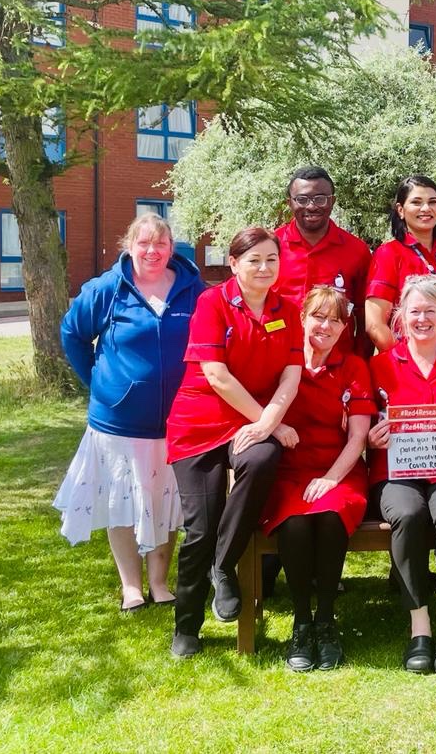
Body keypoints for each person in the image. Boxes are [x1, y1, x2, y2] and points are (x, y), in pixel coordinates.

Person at [166, 227, 304, 658]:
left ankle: (222, 566)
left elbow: (291, 374)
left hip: (251, 422)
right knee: (201, 527)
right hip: (200, 422)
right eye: (253, 261)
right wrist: (266, 420)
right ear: (233, 264)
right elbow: (216, 376)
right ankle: (187, 626)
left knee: (263, 458)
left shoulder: (288, 309)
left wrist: (269, 423)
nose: (264, 269)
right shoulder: (213, 303)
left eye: (271, 260)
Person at [56, 213, 204, 612]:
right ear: (129, 246)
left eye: (160, 244)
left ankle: (159, 581)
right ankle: (131, 586)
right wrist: (101, 382)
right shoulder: (107, 288)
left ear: (172, 248)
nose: (152, 251)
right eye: (144, 243)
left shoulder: (192, 289)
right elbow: (71, 333)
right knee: (122, 500)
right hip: (118, 422)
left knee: (165, 500)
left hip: (177, 421)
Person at [368, 275, 436, 673]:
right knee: (409, 514)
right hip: (396, 472)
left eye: (430, 311)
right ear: (399, 317)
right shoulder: (379, 366)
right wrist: (373, 437)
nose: (422, 319)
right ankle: (419, 625)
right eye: (414, 311)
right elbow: (361, 425)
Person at [261, 286, 375, 672]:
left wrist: (330, 479)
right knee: (293, 524)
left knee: (329, 517)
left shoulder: (354, 366)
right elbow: (259, 413)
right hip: (289, 471)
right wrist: (275, 431)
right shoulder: (280, 361)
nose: (325, 326)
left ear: (345, 327)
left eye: (335, 320)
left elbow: (359, 436)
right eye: (318, 317)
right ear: (302, 318)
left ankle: (326, 620)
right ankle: (301, 621)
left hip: (339, 470)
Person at [365, 175, 436, 357]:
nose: (426, 208)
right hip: (407, 373)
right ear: (401, 210)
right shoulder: (388, 254)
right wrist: (409, 368)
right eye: (417, 202)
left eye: (433, 202)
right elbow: (374, 324)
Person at [274, 165, 373, 359]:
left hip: (336, 365)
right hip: (278, 360)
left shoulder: (356, 251)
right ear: (290, 203)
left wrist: (360, 362)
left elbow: (364, 316)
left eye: (320, 198)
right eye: (302, 199)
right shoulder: (271, 248)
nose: (311, 206)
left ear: (332, 201)